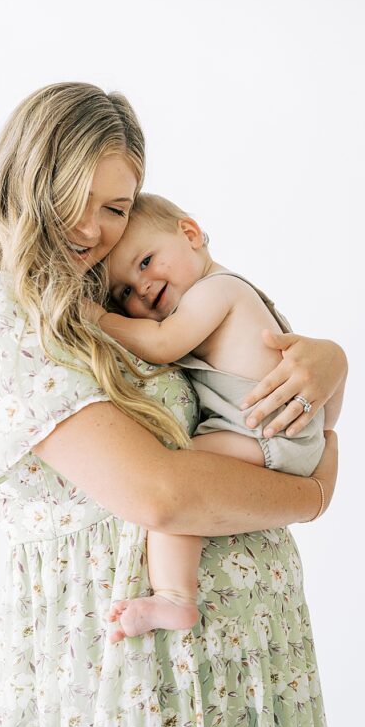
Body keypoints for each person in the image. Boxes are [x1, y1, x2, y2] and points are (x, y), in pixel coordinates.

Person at [0, 82, 346, 727]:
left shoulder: (120, 298)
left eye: (113, 208)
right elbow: (161, 496)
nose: (90, 229)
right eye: (71, 198)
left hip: (250, 655)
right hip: (125, 668)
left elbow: (265, 390)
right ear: (26, 183)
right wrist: (314, 497)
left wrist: (331, 361)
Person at [89, 192, 336, 642]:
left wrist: (100, 317)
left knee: (178, 480)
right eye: (123, 291)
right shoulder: (220, 293)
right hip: (274, 433)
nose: (140, 288)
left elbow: (163, 343)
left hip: (263, 436)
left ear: (189, 234)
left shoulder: (217, 290)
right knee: (181, 478)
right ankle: (174, 597)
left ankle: (174, 597)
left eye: (145, 262)